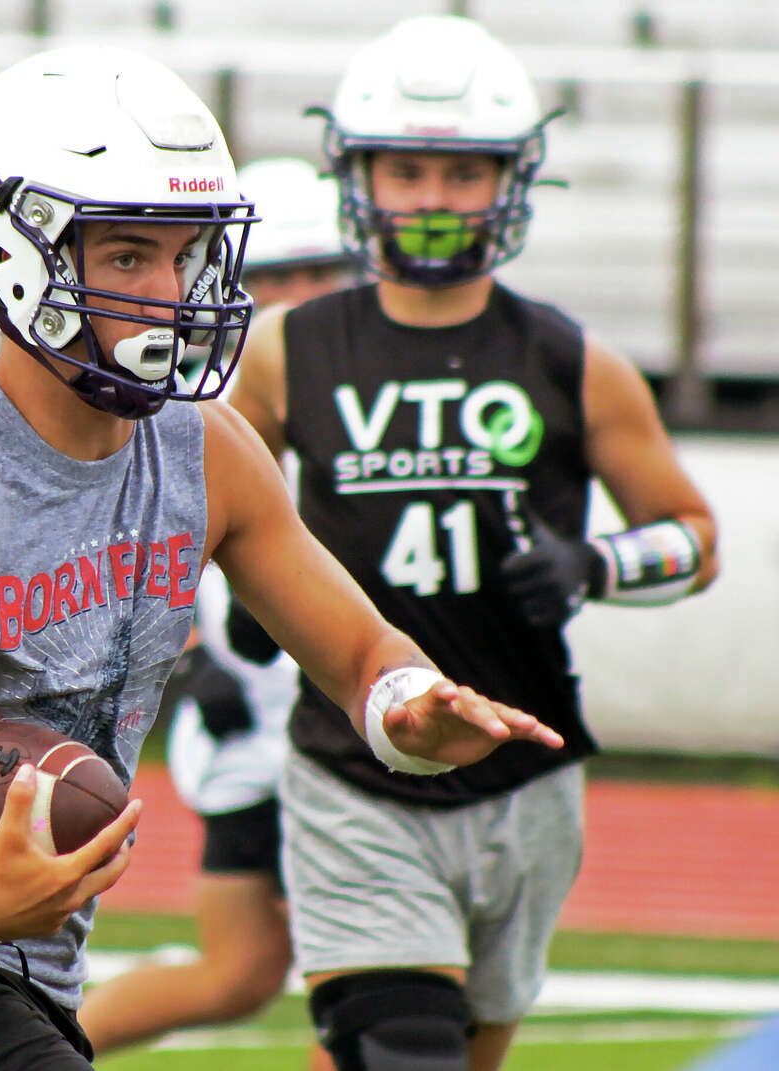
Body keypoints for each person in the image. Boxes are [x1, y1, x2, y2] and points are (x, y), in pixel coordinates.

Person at [0, 45, 564, 1071]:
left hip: (31, 977)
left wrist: (407, 705)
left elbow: (354, 651)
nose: (171, 293)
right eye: (127, 257)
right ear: (14, 254)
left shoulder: (207, 449)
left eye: (189, 254)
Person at [227, 15, 720, 1071]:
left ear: (514, 181)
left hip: (525, 772)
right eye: (407, 171)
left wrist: (597, 566)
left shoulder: (572, 359)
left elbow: (693, 537)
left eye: (464, 171)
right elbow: (201, 499)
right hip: (354, 765)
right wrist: (239, 600)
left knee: (456, 1052)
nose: (437, 199)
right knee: (400, 1047)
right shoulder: (283, 350)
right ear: (359, 177)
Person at [77, 157, 350, 1064]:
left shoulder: (372, 391)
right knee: (269, 970)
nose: (300, 297)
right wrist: (190, 658)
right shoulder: (178, 403)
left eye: (321, 273)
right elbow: (116, 552)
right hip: (252, 719)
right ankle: (23, 1052)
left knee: (307, 971)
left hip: (340, 709)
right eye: (277, 276)